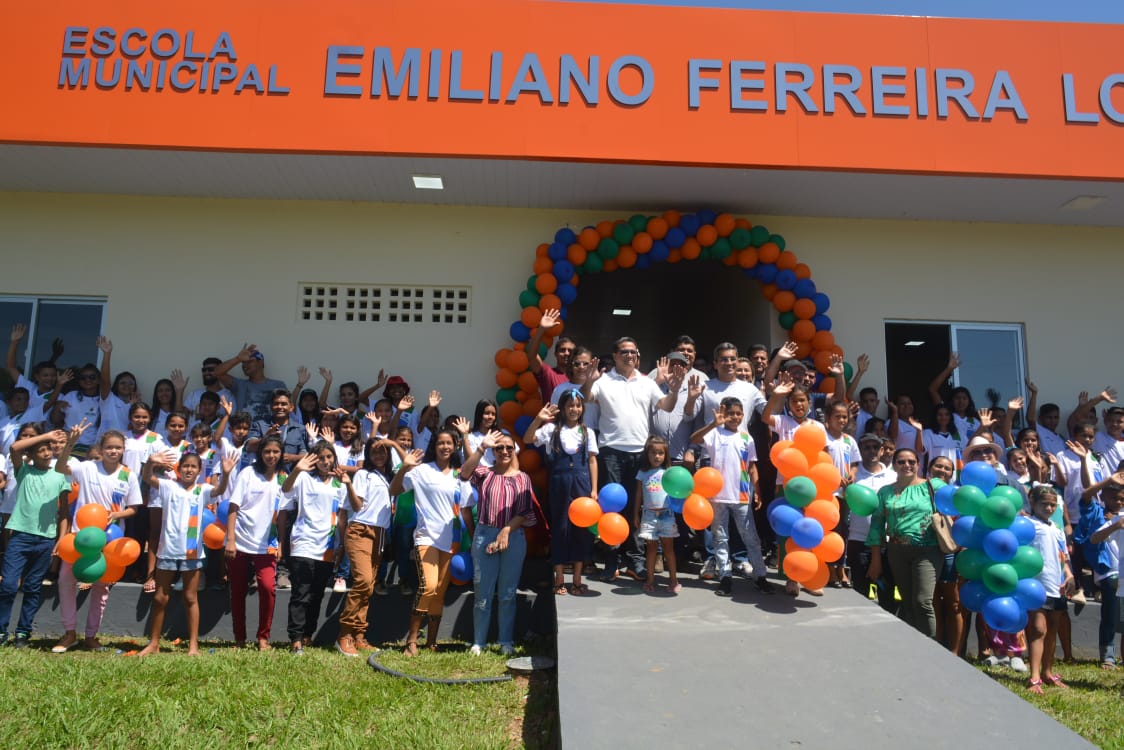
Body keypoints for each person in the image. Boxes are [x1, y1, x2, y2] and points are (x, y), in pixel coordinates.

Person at [584, 336, 683, 581]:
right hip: (611, 452)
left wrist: (676, 389)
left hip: (641, 453)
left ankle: (635, 560)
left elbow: (667, 406)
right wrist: (588, 380)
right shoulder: (604, 380)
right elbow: (587, 398)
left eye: (633, 352)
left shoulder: (646, 382)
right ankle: (611, 560)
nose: (630, 355)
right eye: (624, 352)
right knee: (612, 508)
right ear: (615, 355)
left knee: (640, 508)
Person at [52, 427, 142, 652]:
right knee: (65, 579)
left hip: (110, 539)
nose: (113, 451)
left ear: (123, 450)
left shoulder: (128, 475)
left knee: (101, 588)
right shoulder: (88, 467)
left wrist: (117, 515)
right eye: (109, 447)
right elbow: (60, 467)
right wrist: (71, 443)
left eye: (118, 447)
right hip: (80, 536)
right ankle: (69, 632)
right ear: (101, 449)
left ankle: (91, 636)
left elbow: (134, 508)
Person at [138, 450, 235, 656]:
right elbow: (147, 477)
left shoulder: (203, 490)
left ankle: (193, 646)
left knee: (190, 598)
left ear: (200, 471)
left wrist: (226, 474)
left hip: (192, 554)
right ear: (178, 468)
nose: (189, 469)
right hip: (167, 552)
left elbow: (220, 490)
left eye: (193, 466)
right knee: (160, 598)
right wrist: (150, 462)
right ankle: (154, 643)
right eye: (185, 466)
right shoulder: (168, 486)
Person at [389, 429, 469, 656]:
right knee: (428, 586)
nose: (445, 447)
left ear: (455, 447)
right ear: (435, 446)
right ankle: (411, 641)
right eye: (441, 443)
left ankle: (431, 642)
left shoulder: (457, 475)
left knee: (439, 593)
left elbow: (464, 507)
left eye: (449, 443)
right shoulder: (422, 470)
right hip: (426, 537)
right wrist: (405, 467)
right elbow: (394, 490)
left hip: (450, 540)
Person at [461, 430, 537, 656]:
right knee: (482, 592)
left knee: (507, 593)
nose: (504, 451)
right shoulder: (484, 473)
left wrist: (506, 531)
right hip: (485, 535)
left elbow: (524, 511)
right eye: (499, 448)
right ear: (494, 451)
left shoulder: (523, 477)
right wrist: (481, 447)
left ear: (514, 451)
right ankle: (479, 642)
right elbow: (465, 473)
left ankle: (505, 641)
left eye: (509, 448)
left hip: (513, 537)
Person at [689, 397, 773, 597]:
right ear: (723, 414)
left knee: (751, 538)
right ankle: (725, 576)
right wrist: (712, 424)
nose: (734, 417)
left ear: (743, 415)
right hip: (717, 497)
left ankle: (760, 576)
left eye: (738, 413)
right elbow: (693, 440)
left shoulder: (747, 438)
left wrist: (757, 490)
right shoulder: (715, 434)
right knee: (720, 538)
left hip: (742, 496)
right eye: (730, 413)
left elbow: (751, 467)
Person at [0, 426, 74, 647]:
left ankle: (22, 633)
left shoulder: (59, 476)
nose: (46, 452)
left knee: (33, 587)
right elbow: (14, 447)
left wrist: (61, 539)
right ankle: (2, 631)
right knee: (9, 585)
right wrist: (47, 435)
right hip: (20, 536)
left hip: (45, 539)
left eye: (49, 449)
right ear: (30, 456)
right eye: (40, 450)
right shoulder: (25, 471)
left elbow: (64, 513)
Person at [866, 448, 945, 637]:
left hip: (928, 550)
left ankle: (931, 649)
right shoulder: (885, 492)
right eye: (901, 462)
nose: (907, 465)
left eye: (911, 461)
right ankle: (915, 646)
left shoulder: (934, 486)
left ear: (918, 464)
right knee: (908, 602)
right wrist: (876, 560)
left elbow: (957, 506)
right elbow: (876, 526)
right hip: (896, 551)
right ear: (894, 465)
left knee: (922, 601)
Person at [280, 442, 348, 654]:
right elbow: (285, 489)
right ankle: (296, 639)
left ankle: (308, 634)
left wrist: (342, 545)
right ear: (313, 459)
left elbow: (343, 519)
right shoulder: (303, 478)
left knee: (317, 594)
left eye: (329, 457)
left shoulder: (340, 484)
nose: (326, 461)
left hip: (327, 545)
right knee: (301, 592)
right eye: (321, 457)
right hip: (303, 543)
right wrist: (298, 468)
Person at [526, 392, 597, 595]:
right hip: (559, 483)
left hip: (582, 483)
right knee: (560, 528)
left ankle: (576, 579)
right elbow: (528, 438)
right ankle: (559, 578)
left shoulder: (587, 432)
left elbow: (592, 460)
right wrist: (539, 419)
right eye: (569, 406)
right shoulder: (551, 429)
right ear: (563, 408)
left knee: (581, 530)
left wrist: (593, 489)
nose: (574, 410)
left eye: (577, 405)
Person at [763, 374, 827, 596]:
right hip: (787, 486)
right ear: (789, 405)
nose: (799, 405)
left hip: (812, 488)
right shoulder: (783, 421)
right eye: (794, 401)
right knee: (787, 531)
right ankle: (791, 578)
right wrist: (776, 395)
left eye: (802, 400)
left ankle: (810, 577)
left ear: (809, 403)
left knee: (810, 530)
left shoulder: (818, 426)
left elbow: (823, 455)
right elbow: (765, 417)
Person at [336, 437, 398, 656]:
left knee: (369, 586)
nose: (379, 455)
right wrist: (350, 484)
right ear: (368, 456)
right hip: (361, 530)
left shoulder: (388, 477)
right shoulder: (364, 474)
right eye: (374, 452)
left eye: (383, 451)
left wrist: (394, 445)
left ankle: (359, 635)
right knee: (362, 581)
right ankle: (344, 634)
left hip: (380, 534)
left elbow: (407, 464)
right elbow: (355, 505)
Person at [224, 436, 285, 651]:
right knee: (238, 590)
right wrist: (230, 539)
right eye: (267, 451)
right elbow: (233, 508)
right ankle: (239, 639)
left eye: (275, 452)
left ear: (281, 454)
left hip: (267, 543)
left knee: (268, 588)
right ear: (260, 453)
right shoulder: (248, 473)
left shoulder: (284, 477)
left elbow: (284, 516)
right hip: (240, 540)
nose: (271, 456)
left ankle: (263, 638)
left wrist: (281, 544)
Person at [1023, 484, 1075, 694]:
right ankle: (1034, 676)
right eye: (1045, 504)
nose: (1050, 508)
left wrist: (1069, 575)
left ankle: (1047, 671)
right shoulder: (1028, 524)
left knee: (1052, 629)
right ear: (1033, 503)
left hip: (1057, 584)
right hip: (1036, 583)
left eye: (1053, 505)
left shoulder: (1057, 528)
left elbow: (1064, 556)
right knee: (1037, 629)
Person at [849, 433, 897, 608]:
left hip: (885, 543)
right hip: (858, 540)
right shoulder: (852, 475)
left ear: (882, 450)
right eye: (867, 447)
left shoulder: (893, 477)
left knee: (887, 594)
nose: (872, 451)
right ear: (860, 451)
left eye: (875, 447)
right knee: (860, 594)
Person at [1082, 471, 1124, 669]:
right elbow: (1094, 538)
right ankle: (1107, 655)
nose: (1118, 502)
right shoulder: (1098, 512)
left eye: (1122, 499)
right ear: (1104, 496)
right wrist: (1115, 526)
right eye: (1114, 498)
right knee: (1110, 613)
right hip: (1109, 572)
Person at [634, 436, 681, 594]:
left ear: (665, 455)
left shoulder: (668, 472)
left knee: (669, 549)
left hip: (667, 515)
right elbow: (638, 494)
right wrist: (636, 514)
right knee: (651, 550)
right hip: (648, 516)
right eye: (653, 453)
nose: (657, 456)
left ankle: (674, 580)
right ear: (647, 454)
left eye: (661, 453)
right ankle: (650, 579)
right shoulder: (643, 473)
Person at [213, 344, 288, 423]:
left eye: (249, 362)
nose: (245, 365)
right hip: (244, 432)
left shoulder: (278, 385)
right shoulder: (240, 384)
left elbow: (287, 410)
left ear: (261, 363)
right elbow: (217, 373)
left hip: (272, 432)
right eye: (243, 363)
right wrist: (237, 359)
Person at [246, 389, 309, 470]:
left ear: (291, 407)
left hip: (290, 477)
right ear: (271, 407)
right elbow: (249, 447)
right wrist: (267, 436)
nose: (279, 407)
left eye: (283, 404)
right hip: (263, 476)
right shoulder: (259, 425)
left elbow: (306, 454)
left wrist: (293, 457)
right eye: (276, 404)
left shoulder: (300, 429)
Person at [526, 309, 575, 404]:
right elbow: (532, 356)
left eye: (570, 351)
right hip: (552, 419)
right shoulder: (548, 373)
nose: (566, 353)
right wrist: (541, 329)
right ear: (555, 354)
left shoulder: (579, 377)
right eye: (562, 350)